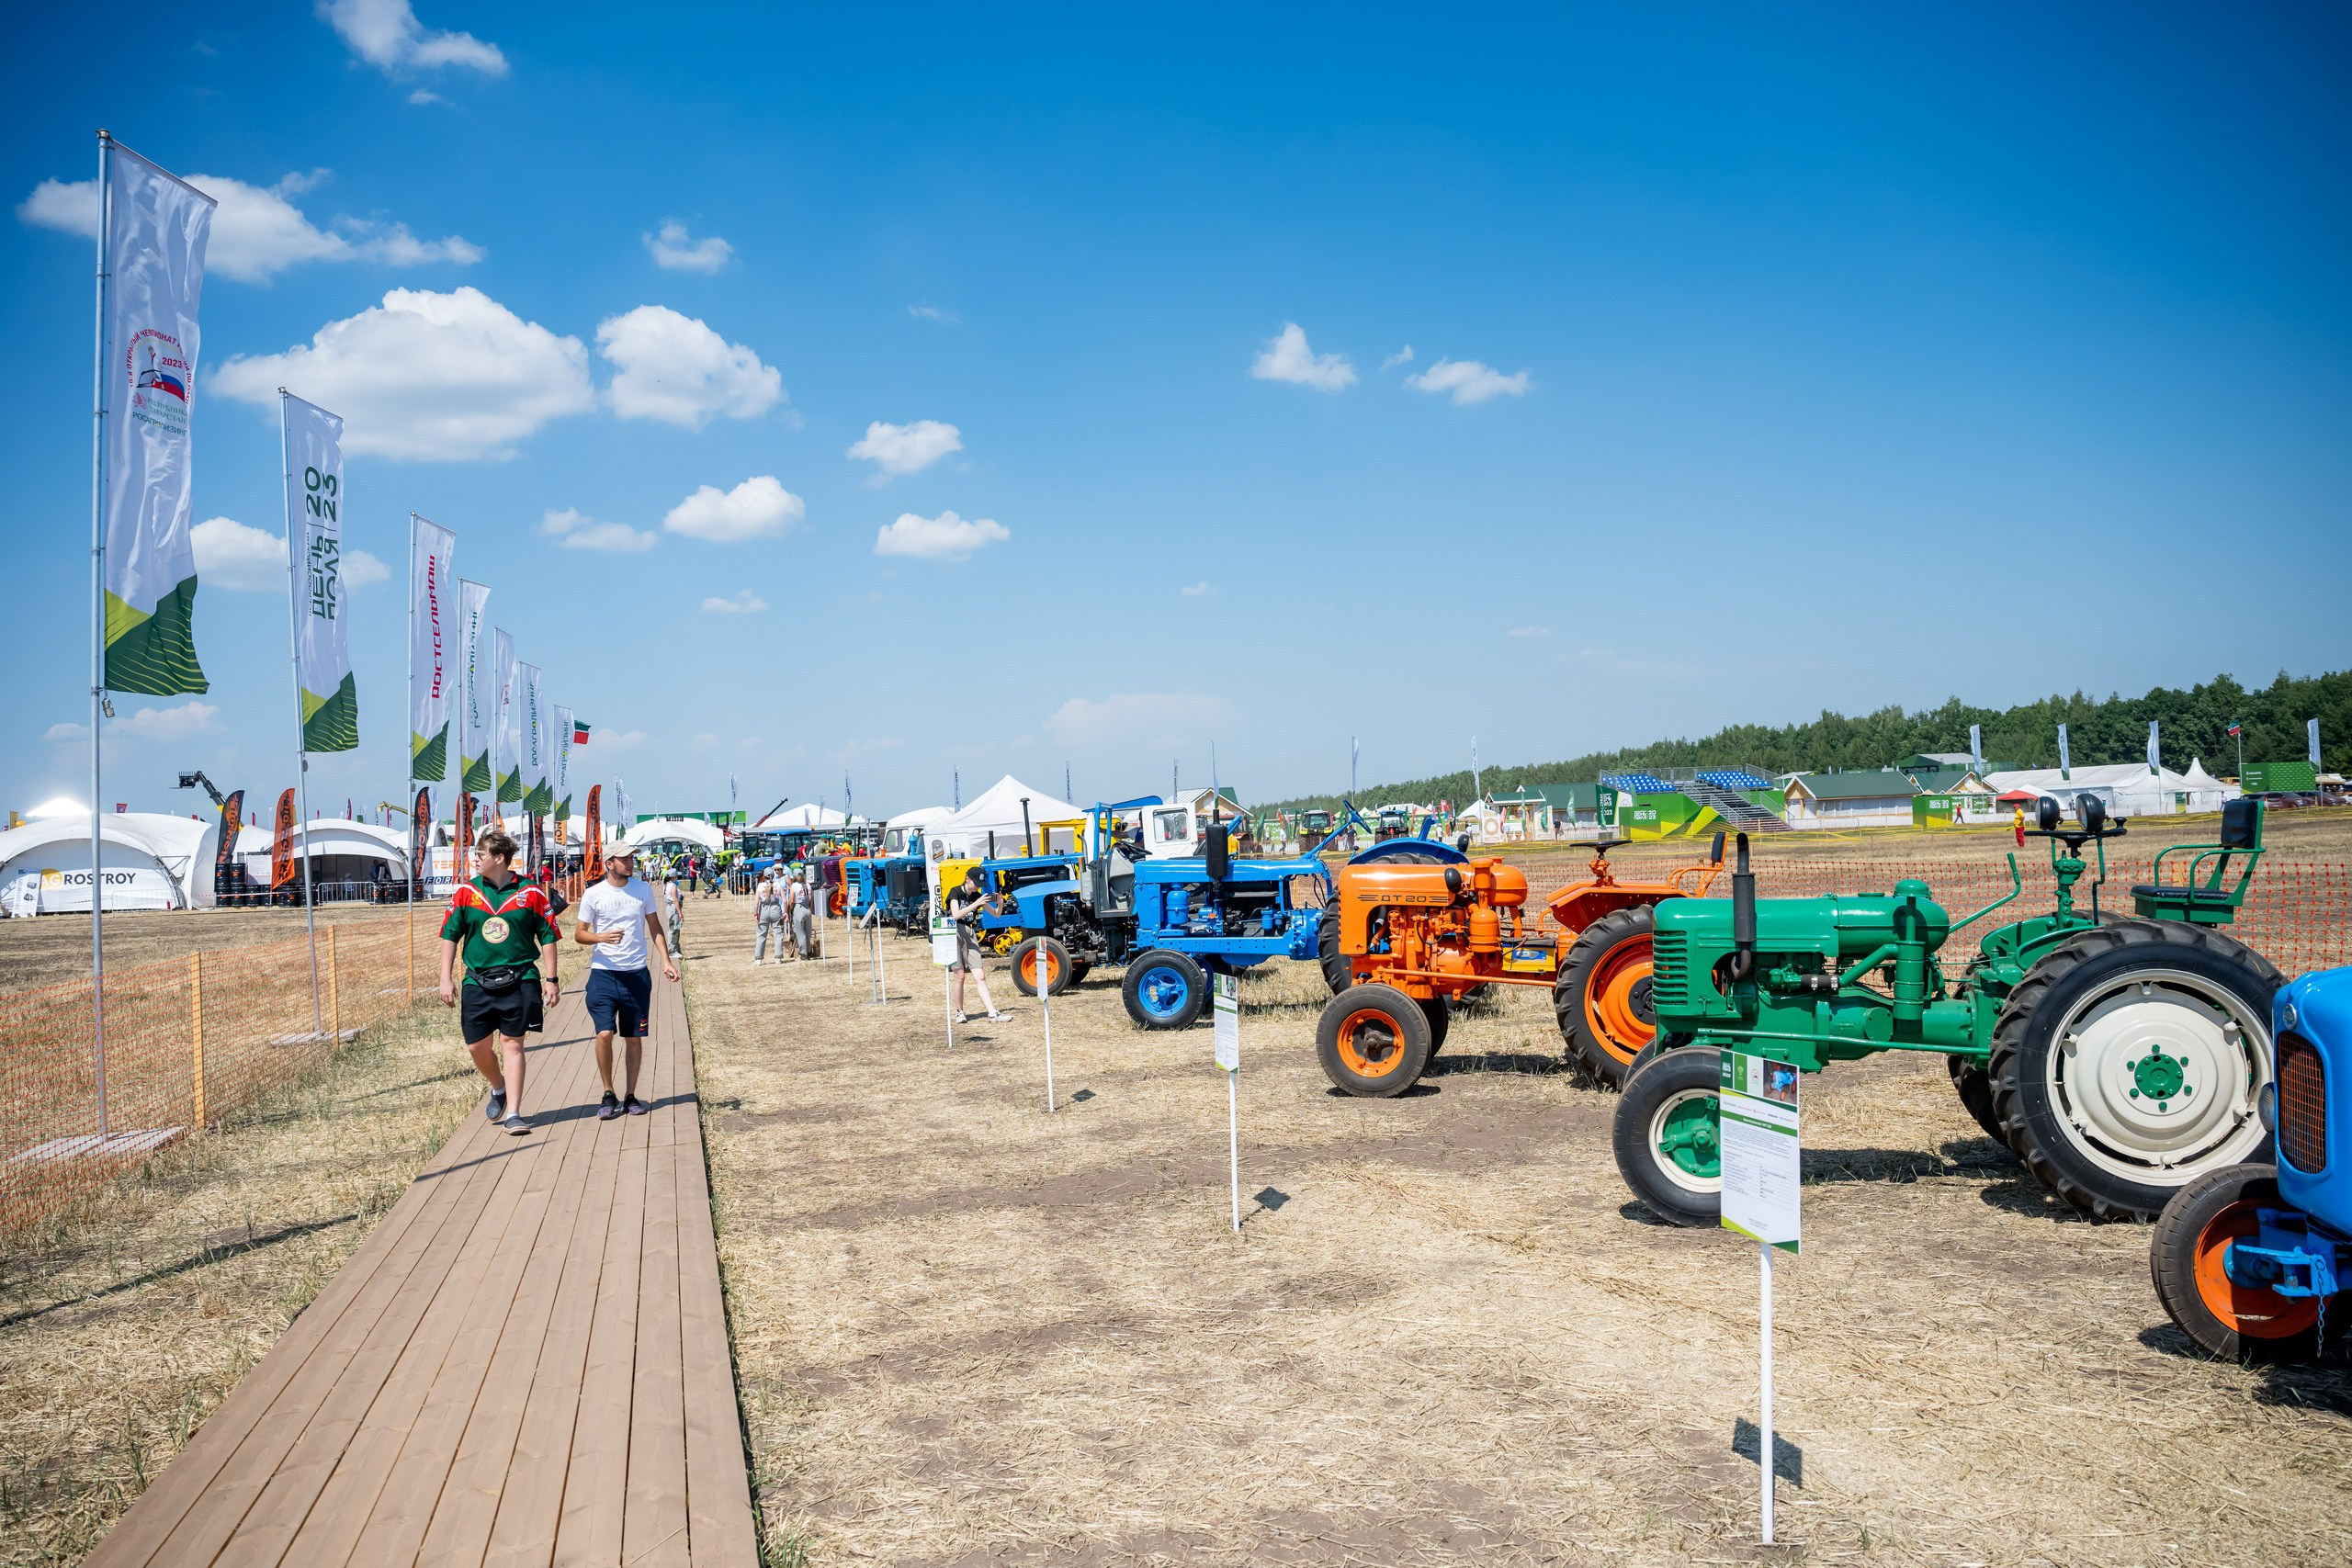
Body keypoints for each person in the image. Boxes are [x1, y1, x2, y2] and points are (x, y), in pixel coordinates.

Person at [437, 828, 560, 1135]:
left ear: (500, 858)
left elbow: (548, 936)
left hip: (521, 979)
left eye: (481, 855)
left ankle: (514, 1114)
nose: (476, 860)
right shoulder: (466, 893)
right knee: (476, 1046)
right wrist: (445, 979)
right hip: (477, 981)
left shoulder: (530, 892)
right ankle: (498, 1086)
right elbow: (450, 936)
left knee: (512, 1044)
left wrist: (551, 979)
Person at [574, 844, 677, 1120]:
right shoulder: (594, 894)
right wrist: (601, 937)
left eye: (632, 858)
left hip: (636, 974)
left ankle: (631, 1096)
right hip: (604, 973)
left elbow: (655, 927)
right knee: (604, 1034)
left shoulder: (642, 890)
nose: (631, 863)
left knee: (633, 1038)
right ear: (609, 863)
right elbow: (580, 934)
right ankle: (608, 1093)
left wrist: (666, 961)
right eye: (625, 859)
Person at [946, 869, 1011, 1024]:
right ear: (967, 879)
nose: (977, 887)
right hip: (954, 933)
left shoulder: (977, 896)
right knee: (959, 976)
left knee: (980, 975)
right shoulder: (955, 892)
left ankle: (992, 1013)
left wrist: (1000, 904)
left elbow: (996, 914)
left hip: (970, 934)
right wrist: (976, 903)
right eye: (976, 883)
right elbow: (955, 915)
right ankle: (960, 1012)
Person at [752, 871, 787, 964]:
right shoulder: (778, 884)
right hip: (775, 909)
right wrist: (786, 912)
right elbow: (784, 900)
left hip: (764, 909)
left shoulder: (760, 886)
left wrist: (756, 914)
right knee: (778, 933)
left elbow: (756, 902)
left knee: (761, 934)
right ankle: (778, 957)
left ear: (764, 876)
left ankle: (758, 958)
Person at [789, 872, 814, 960]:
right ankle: (808, 952)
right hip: (807, 908)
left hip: (799, 908)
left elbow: (792, 901)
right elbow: (811, 899)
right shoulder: (808, 885)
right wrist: (811, 910)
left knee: (800, 933)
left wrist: (790, 910)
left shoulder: (794, 886)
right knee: (808, 933)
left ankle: (803, 954)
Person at [662, 869, 685, 958]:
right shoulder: (673, 886)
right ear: (674, 877)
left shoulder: (666, 885)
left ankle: (675, 948)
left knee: (672, 928)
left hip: (669, 907)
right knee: (675, 929)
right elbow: (675, 900)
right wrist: (680, 913)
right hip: (674, 908)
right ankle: (672, 950)